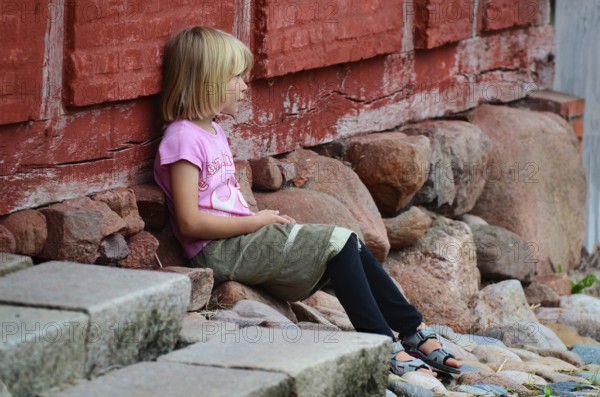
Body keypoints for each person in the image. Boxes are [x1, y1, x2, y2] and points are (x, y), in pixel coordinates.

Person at [153, 26, 462, 377]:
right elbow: (190, 222)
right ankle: (381, 343)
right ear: (207, 80)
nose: (243, 86)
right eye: (235, 76)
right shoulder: (182, 139)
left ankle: (412, 330)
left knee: (350, 244)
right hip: (218, 249)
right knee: (338, 242)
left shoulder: (213, 130)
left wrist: (256, 222)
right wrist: (256, 222)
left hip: (238, 240)